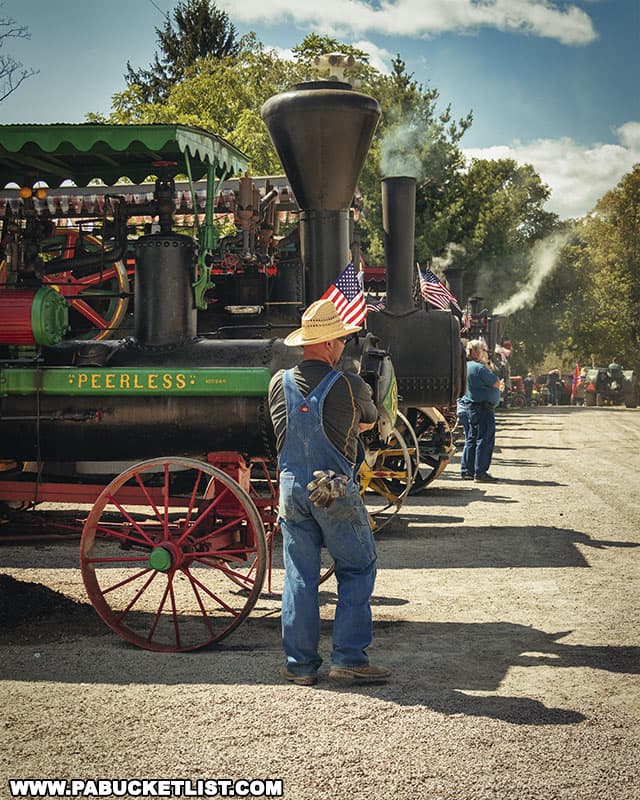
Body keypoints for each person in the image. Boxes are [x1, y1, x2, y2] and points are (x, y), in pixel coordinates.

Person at [268, 298, 391, 687]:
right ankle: (349, 658)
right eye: (338, 340)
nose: (341, 346)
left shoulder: (278, 383)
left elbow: (281, 432)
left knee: (300, 577)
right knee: (356, 567)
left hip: (291, 490)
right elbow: (370, 422)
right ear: (326, 344)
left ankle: (300, 666)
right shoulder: (349, 384)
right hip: (333, 487)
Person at [456, 339, 502, 483]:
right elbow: (496, 382)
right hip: (482, 407)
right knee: (484, 439)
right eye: (482, 350)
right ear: (475, 352)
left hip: (469, 406)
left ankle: (467, 470)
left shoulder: (465, 367)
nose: (484, 353)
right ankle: (480, 472)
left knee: (471, 438)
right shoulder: (479, 368)